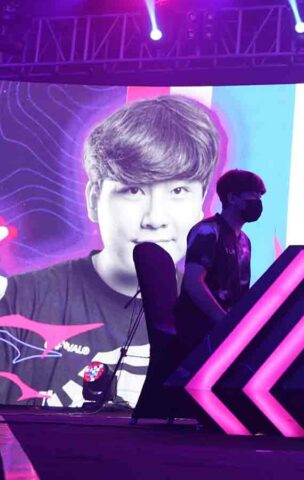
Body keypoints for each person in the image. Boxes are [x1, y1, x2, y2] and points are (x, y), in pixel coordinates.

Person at [0, 95, 220, 407]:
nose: (154, 219)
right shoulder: (20, 300)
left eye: (178, 190)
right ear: (94, 199)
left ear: (202, 202)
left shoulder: (217, 322)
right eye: (133, 190)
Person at [174, 169, 265, 355]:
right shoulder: (207, 231)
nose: (258, 201)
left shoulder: (245, 242)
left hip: (227, 334)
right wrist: (225, 322)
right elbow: (193, 283)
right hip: (200, 334)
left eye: (260, 196)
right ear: (232, 198)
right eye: (253, 195)